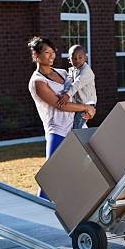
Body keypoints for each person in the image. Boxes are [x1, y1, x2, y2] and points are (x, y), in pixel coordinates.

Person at [27, 37, 95, 198]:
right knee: (51, 175)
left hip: (77, 127)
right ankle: (40, 211)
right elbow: (60, 105)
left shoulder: (64, 73)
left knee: (88, 169)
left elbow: (80, 92)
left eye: (53, 53)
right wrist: (86, 107)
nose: (51, 56)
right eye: (46, 53)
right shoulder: (37, 82)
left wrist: (90, 109)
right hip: (57, 131)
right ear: (36, 55)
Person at [57, 45, 97, 129]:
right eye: (74, 58)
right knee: (72, 122)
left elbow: (77, 84)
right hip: (79, 103)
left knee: (77, 125)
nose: (77, 60)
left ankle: (75, 138)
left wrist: (67, 95)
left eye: (80, 57)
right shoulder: (72, 70)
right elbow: (68, 82)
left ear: (85, 58)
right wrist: (63, 92)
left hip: (87, 103)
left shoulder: (86, 71)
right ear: (69, 60)